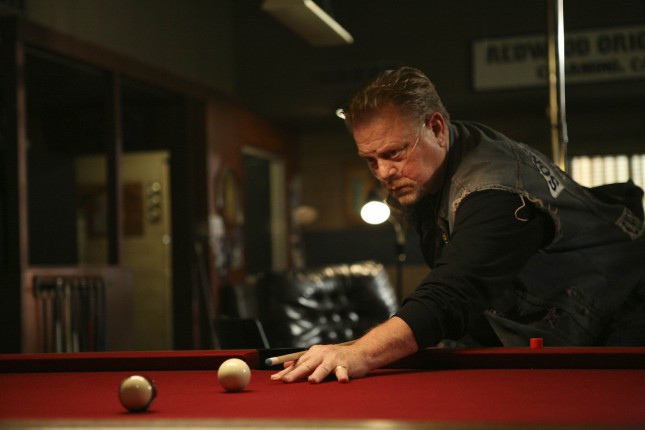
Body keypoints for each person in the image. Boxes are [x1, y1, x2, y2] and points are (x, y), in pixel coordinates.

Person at [271, 66, 645, 384]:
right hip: (568, 319)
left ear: (436, 127)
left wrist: (361, 353)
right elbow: (474, 296)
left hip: (626, 311)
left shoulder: (494, 191)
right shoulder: (431, 170)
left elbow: (455, 291)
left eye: (393, 153)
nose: (383, 172)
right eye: (370, 159)